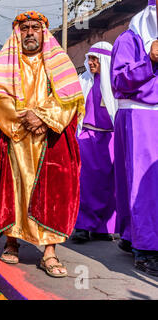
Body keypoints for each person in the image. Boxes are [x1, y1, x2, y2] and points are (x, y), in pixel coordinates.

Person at [0, 11, 85, 278]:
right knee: (12, 191)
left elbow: (69, 98)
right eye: (24, 27)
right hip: (14, 139)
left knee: (51, 194)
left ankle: (49, 251)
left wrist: (44, 118)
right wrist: (20, 121)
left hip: (49, 138)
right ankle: (12, 241)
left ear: (43, 32)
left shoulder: (59, 61)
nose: (29, 32)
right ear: (18, 32)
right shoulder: (4, 61)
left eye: (35, 27)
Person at [110, 0, 158, 277]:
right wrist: (148, 60)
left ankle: (131, 236)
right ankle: (148, 250)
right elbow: (119, 80)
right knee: (145, 184)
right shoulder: (130, 38)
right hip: (140, 114)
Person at [72, 42, 118, 243]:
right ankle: (82, 225)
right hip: (88, 138)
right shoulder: (83, 80)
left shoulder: (115, 82)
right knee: (86, 183)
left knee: (110, 185)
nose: (90, 63)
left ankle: (103, 227)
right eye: (89, 59)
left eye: (94, 59)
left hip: (111, 137)